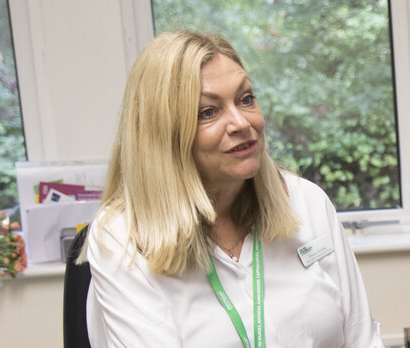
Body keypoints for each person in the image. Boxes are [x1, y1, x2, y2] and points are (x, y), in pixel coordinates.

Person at [80, 31, 384, 347]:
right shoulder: (124, 236)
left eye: (245, 99)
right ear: (164, 135)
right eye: (208, 112)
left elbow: (361, 338)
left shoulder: (306, 201)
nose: (241, 122)